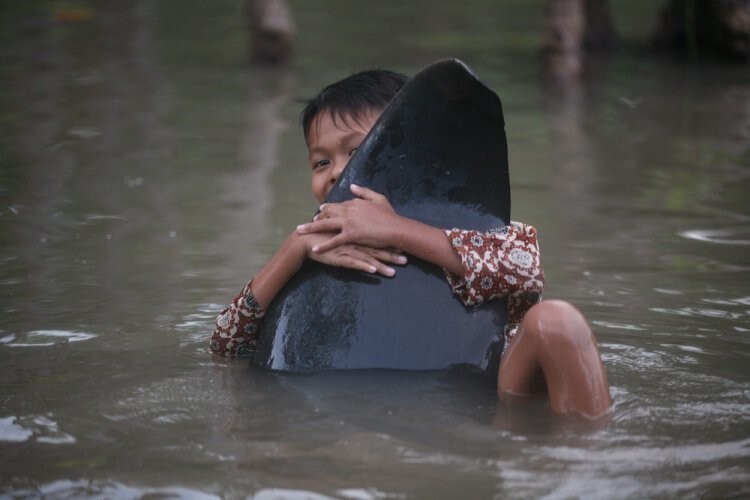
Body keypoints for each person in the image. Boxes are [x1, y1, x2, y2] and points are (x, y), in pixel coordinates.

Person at [210, 69, 611, 420]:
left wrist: (397, 230)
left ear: (410, 153)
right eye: (320, 162)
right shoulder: (319, 242)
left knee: (557, 322)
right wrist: (293, 250)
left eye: (356, 152)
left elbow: (525, 271)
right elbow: (226, 347)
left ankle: (585, 457)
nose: (335, 173)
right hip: (355, 404)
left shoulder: (473, 226)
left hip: (486, 393)